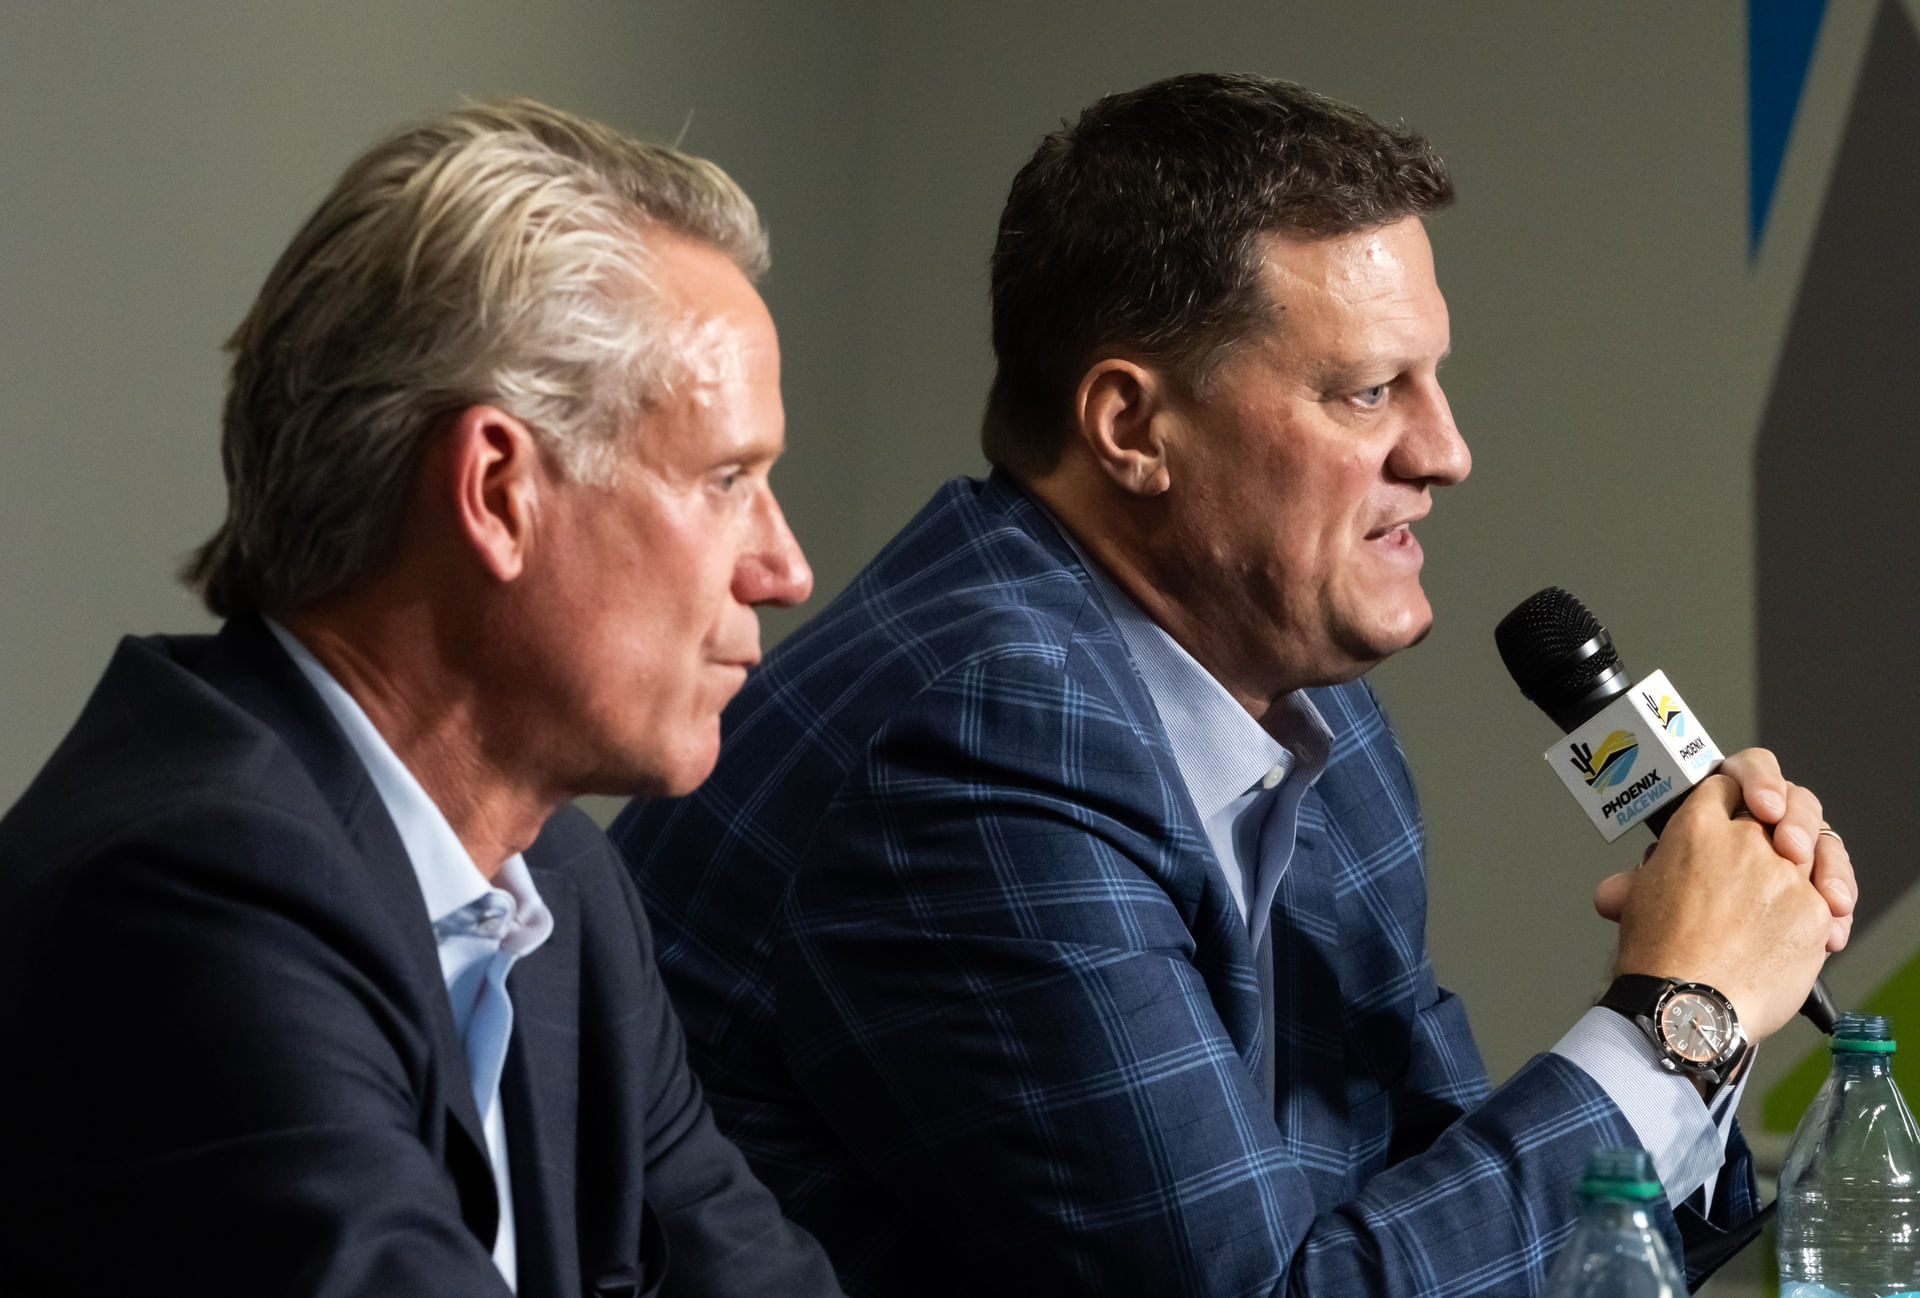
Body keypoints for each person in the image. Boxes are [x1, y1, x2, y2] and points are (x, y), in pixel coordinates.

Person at [614, 73, 1856, 1296]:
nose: (1447, 452)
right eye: (1370, 391)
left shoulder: (1310, 709)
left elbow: (1443, 1219)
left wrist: (1722, 984)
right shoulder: (978, 736)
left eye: (1431, 380)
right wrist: (1676, 1015)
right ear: (1131, 428)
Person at [0, 100, 844, 1298]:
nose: (785, 568)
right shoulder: (189, 885)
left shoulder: (563, 892)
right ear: (498, 491)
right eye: (726, 480)